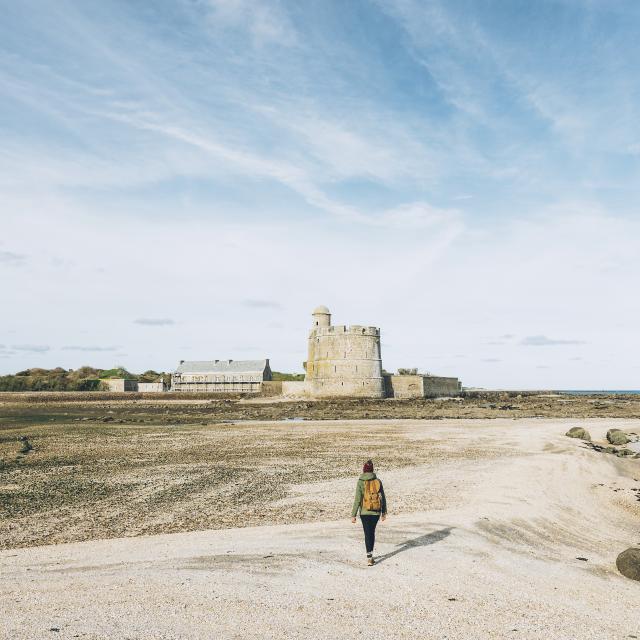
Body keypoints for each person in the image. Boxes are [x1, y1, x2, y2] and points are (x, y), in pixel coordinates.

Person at [351, 459, 387, 565]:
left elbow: (357, 499)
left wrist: (353, 515)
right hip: (376, 512)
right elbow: (382, 497)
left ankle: (369, 556)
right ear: (372, 470)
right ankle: (370, 555)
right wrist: (384, 512)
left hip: (364, 512)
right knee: (372, 532)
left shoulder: (360, 481)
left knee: (367, 533)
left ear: (364, 470)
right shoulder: (378, 481)